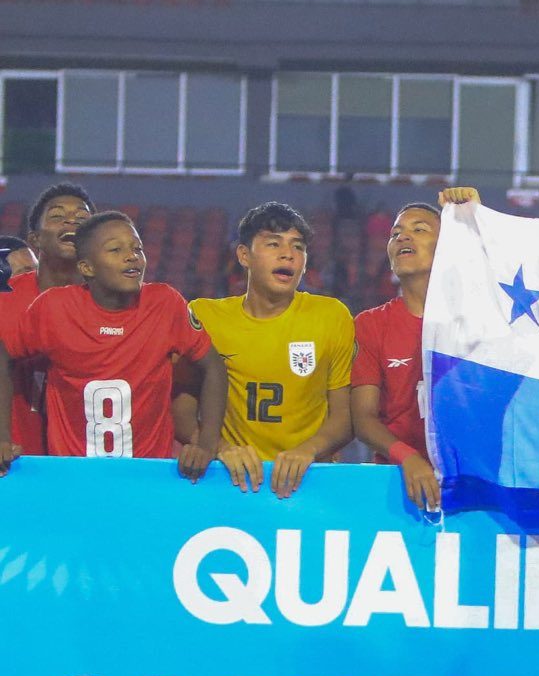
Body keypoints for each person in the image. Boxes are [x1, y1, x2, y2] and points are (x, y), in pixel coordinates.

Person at [0, 211, 234, 482]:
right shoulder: (53, 308)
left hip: (149, 478)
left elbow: (214, 366)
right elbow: (4, 356)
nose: (132, 255)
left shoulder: (165, 303)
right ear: (87, 268)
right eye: (115, 249)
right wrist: (3, 437)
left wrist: (207, 443)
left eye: (138, 248)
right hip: (71, 478)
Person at [188, 202, 356, 497]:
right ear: (244, 255)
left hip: (310, 484)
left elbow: (344, 417)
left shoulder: (332, 316)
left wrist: (307, 451)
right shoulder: (205, 316)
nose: (288, 254)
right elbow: (181, 408)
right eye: (273, 243)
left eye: (298, 247)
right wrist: (219, 446)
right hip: (229, 482)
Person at [350, 190, 477, 512]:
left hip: (470, 482)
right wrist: (408, 458)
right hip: (394, 482)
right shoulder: (370, 324)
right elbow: (363, 419)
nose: (403, 236)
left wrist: (472, 218)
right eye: (395, 234)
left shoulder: (476, 319)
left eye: (419, 229)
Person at [1, 183, 94, 454]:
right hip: (14, 465)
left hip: (93, 466)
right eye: (57, 216)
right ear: (35, 239)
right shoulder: (4, 301)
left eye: (82, 217)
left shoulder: (119, 303)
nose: (70, 221)